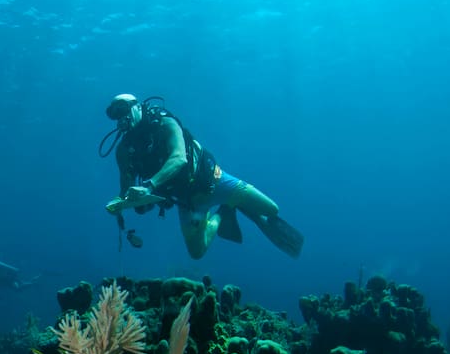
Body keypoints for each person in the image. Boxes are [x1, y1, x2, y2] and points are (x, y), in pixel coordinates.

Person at [100, 94, 303, 259]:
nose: (121, 119)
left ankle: (239, 205)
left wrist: (150, 186)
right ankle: (225, 211)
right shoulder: (125, 151)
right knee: (197, 253)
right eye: (116, 116)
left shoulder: (164, 122)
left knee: (271, 209)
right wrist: (121, 203)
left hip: (215, 182)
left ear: (138, 106)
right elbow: (125, 188)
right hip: (188, 201)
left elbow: (179, 158)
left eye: (124, 110)